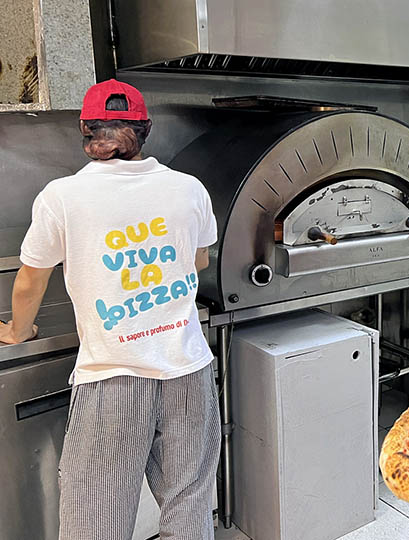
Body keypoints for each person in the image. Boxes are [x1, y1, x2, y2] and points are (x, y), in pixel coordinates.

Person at [0, 79, 220, 540]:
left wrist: (18, 332)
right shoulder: (189, 188)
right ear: (146, 131)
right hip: (190, 371)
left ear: (85, 133)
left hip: (112, 377)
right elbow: (199, 259)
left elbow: (30, 279)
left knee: (95, 520)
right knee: (189, 509)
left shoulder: (61, 197)